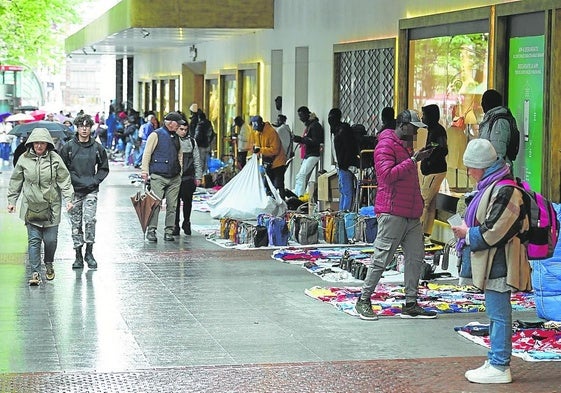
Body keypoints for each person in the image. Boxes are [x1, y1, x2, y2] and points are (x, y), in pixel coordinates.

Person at [451, 138, 530, 384]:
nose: (469, 172)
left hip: (502, 261)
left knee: (499, 314)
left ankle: (499, 365)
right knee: (496, 314)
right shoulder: (493, 185)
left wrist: (468, 233)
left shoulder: (506, 190)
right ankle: (496, 359)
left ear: (483, 166)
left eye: (471, 167)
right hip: (495, 260)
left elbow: (495, 230)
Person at [354, 109, 437, 320]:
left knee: (415, 258)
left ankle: (411, 302)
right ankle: (363, 299)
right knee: (381, 258)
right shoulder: (385, 145)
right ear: (403, 125)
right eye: (413, 129)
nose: (416, 133)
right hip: (392, 211)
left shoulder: (404, 146)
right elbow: (386, 176)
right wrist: (413, 160)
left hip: (410, 212)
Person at [7, 128, 74, 285]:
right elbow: (16, 181)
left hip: (51, 207)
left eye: (42, 143)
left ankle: (49, 262)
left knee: (50, 240)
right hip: (31, 206)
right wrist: (12, 201)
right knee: (34, 241)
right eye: (36, 142)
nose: (39, 146)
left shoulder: (55, 159)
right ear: (31, 143)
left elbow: (64, 179)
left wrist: (69, 198)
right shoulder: (23, 159)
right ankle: (35, 272)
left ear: (47, 144)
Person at [60, 114, 109, 270]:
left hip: (91, 190)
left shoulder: (97, 148)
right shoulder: (68, 147)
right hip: (73, 192)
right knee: (75, 224)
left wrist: (94, 181)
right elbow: (62, 169)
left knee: (89, 220)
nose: (84, 129)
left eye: (87, 126)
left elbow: (103, 167)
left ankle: (89, 252)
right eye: (81, 126)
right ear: (77, 127)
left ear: (91, 128)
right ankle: (78, 256)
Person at [141, 111, 184, 242]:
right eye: (178, 124)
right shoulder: (156, 135)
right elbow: (147, 153)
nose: (179, 127)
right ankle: (151, 230)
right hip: (158, 176)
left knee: (173, 206)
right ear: (171, 123)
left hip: (174, 177)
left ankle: (169, 231)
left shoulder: (176, 137)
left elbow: (180, 155)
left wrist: (180, 173)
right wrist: (145, 171)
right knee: (155, 204)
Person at [419, 104, 448, 242]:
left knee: (424, 201)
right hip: (435, 170)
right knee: (430, 204)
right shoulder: (434, 130)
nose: (422, 117)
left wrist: (429, 161)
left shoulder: (437, 131)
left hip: (434, 171)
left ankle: (419, 234)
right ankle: (426, 234)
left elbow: (442, 149)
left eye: (424, 115)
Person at [173, 122, 203, 236]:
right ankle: (176, 225)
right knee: (174, 203)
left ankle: (186, 222)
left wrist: (198, 177)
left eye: (185, 129)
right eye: (181, 129)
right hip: (175, 177)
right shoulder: (172, 141)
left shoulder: (191, 142)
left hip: (188, 177)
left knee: (188, 202)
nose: (184, 131)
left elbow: (196, 160)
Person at [249, 115, 287, 199]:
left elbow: (275, 150)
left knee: (278, 184)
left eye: (258, 128)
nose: (257, 130)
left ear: (261, 124)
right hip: (268, 162)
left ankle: (282, 203)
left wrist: (260, 150)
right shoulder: (257, 133)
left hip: (278, 162)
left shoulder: (271, 132)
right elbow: (258, 146)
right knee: (267, 184)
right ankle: (270, 202)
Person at [329, 108, 359, 211]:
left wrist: (344, 164)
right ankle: (342, 214)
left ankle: (346, 215)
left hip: (345, 166)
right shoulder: (335, 130)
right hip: (340, 165)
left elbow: (349, 148)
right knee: (343, 191)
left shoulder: (343, 130)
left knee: (347, 191)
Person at [292, 106, 324, 197]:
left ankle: (299, 197)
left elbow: (315, 141)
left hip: (314, 154)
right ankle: (297, 195)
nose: (300, 118)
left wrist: (301, 139)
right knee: (299, 176)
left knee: (302, 176)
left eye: (301, 116)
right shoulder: (310, 125)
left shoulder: (315, 126)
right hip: (309, 154)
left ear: (307, 114)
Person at [478, 89, 512, 167]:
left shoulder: (499, 121)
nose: (482, 104)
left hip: (496, 172)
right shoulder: (491, 119)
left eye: (483, 101)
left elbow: (497, 152)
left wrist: (491, 173)